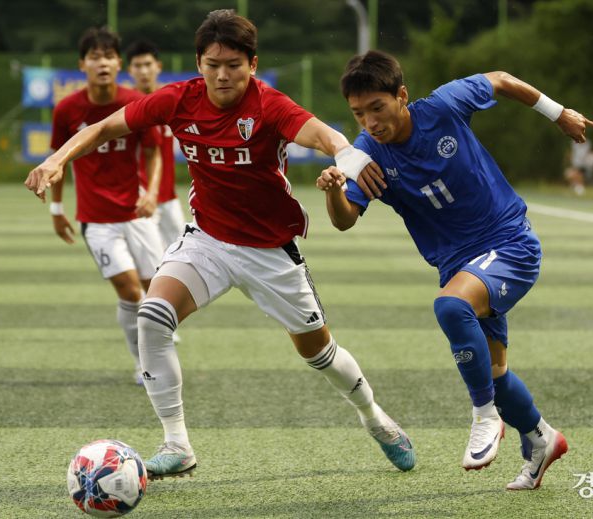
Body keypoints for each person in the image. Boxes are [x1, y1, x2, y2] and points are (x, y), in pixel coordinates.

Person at [25, 10, 414, 479]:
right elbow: (104, 128)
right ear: (198, 63)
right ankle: (177, 444)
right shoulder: (178, 99)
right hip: (207, 240)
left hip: (270, 251)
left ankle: (375, 418)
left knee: (319, 354)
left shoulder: (269, 105)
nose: (222, 74)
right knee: (152, 315)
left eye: (233, 64)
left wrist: (347, 153)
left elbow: (321, 134)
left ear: (252, 64)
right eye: (212, 64)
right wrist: (57, 159)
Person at [317, 50, 593, 490]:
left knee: (449, 307)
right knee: (495, 374)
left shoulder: (445, 105)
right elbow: (344, 218)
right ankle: (542, 439)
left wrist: (557, 113)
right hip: (458, 264)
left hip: (508, 243)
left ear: (402, 96)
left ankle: (484, 417)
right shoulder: (365, 154)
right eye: (358, 114)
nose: (370, 122)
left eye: (378, 107)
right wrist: (334, 190)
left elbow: (501, 79)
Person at [47, 27, 164, 386]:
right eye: (95, 56)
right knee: (131, 292)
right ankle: (144, 364)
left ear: (118, 63)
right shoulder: (67, 109)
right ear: (82, 64)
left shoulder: (134, 102)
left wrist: (153, 192)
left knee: (157, 294)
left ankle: (157, 356)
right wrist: (57, 209)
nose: (103, 63)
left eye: (109, 56)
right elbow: (58, 159)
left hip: (136, 213)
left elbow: (155, 149)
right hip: (97, 220)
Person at [125, 39, 187, 247]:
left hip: (169, 198)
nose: (143, 71)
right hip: (138, 198)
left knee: (186, 257)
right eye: (137, 66)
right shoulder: (126, 107)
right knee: (150, 266)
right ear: (129, 70)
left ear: (158, 66)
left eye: (148, 64)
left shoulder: (172, 102)